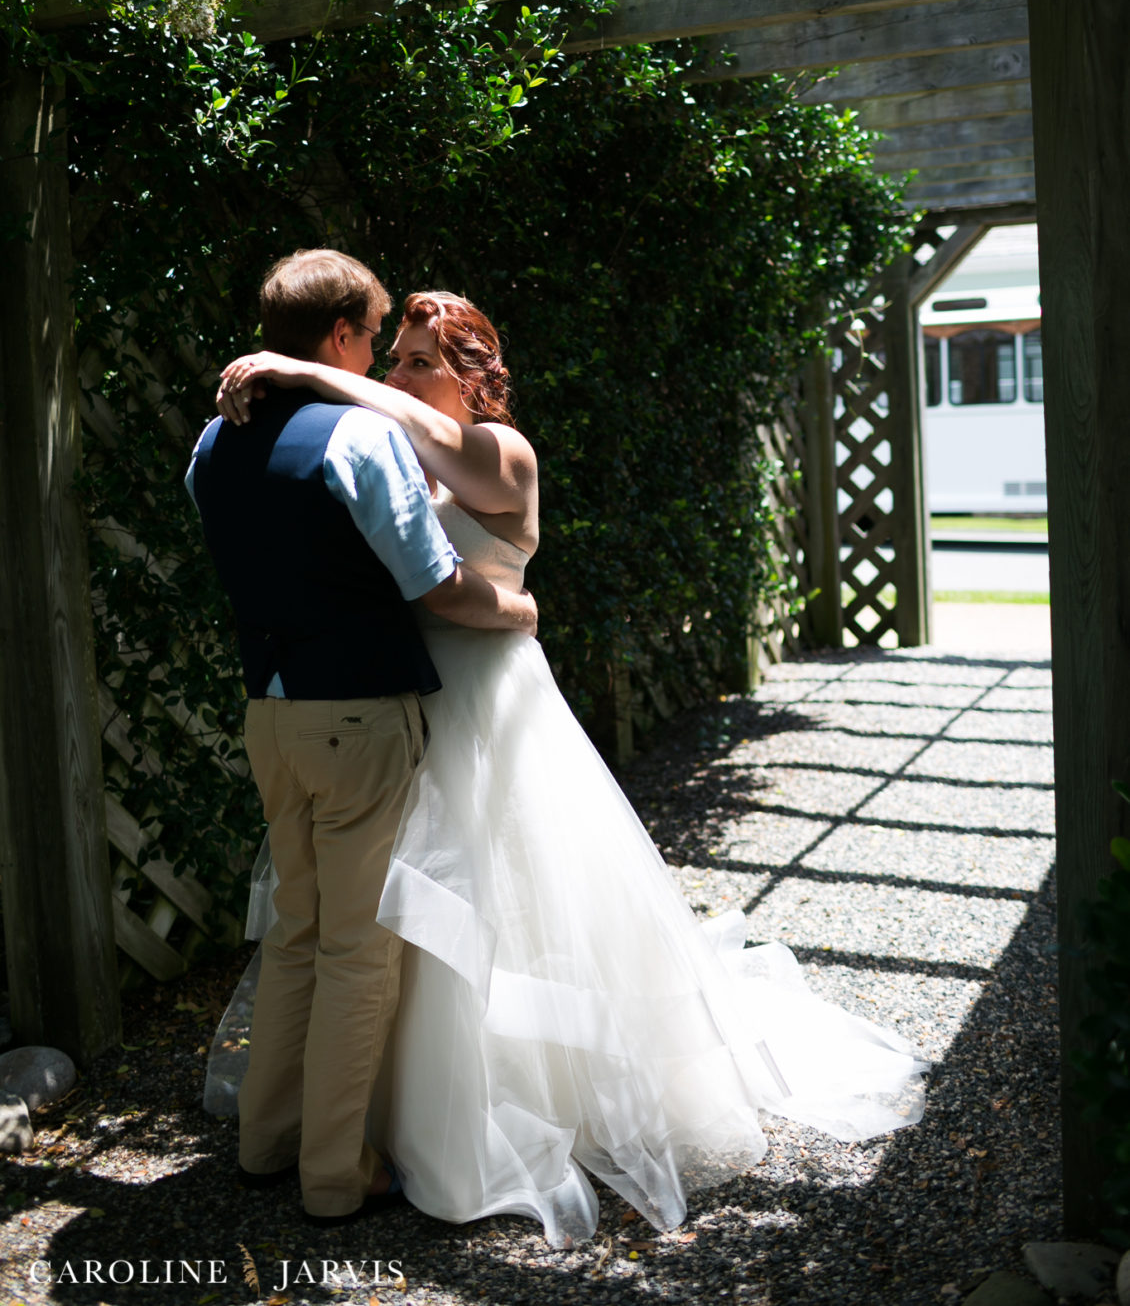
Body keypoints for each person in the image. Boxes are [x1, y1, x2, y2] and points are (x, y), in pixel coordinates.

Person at [213, 289, 928, 1248]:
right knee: (386, 915)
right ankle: (373, 1112)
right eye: (396, 357)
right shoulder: (382, 441)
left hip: (489, 699)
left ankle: (496, 1099)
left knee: (506, 902)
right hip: (406, 700)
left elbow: (440, 468)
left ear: (473, 376)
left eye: (422, 358)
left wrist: (310, 372)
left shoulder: (499, 451)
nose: (398, 374)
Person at [186, 254, 537, 1228]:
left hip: (272, 710)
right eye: (381, 340)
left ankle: (264, 1142)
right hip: (360, 713)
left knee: (295, 931)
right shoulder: (357, 439)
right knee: (354, 949)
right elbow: (429, 584)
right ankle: (336, 1177)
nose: (386, 361)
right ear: (343, 334)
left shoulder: (215, 442)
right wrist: (518, 609)